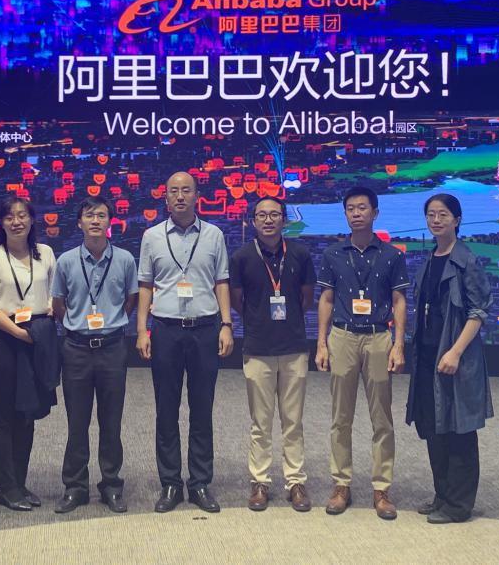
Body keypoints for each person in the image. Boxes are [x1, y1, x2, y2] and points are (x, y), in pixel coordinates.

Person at [136, 171, 234, 514]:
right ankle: (170, 484)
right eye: (173, 191)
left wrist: (226, 324)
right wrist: (141, 330)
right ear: (165, 198)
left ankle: (200, 483)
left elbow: (222, 281)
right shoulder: (151, 236)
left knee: (202, 408)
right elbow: (145, 285)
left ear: (196, 196)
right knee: (166, 409)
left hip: (206, 329)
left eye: (186, 190)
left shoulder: (214, 234)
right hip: (165, 330)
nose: (180, 196)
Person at [316, 186, 408, 521]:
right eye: (351, 209)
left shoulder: (392, 255)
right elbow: (326, 299)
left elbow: (399, 301)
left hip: (378, 337)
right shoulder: (332, 254)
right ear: (346, 214)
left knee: (381, 418)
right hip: (342, 337)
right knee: (340, 417)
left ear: (375, 213)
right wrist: (321, 342)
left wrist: (399, 344)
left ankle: (381, 488)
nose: (356, 213)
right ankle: (341, 484)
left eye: (362, 208)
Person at [407, 193, 493, 524]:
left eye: (443, 214)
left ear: (457, 220)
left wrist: (455, 351)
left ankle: (459, 505)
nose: (436, 220)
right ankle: (442, 495)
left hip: (456, 358)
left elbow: (478, 312)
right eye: (431, 214)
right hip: (428, 357)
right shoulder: (430, 259)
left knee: (459, 430)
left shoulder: (466, 260)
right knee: (434, 427)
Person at [50, 196, 138, 514]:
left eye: (101, 215)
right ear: (80, 223)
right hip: (76, 349)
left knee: (111, 421)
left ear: (109, 221)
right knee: (77, 421)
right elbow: (58, 304)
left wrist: (110, 322)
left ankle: (111, 485)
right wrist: (78, 326)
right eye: (89, 216)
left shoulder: (125, 260)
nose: (96, 220)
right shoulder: (66, 261)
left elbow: (131, 300)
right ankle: (75, 487)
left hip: (113, 348)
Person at [229, 196, 315, 512]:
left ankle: (296, 482)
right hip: (257, 348)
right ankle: (260, 481)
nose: (268, 220)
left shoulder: (300, 254)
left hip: (294, 346)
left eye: (274, 214)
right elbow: (237, 300)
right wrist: (258, 320)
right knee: (260, 422)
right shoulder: (241, 257)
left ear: (284, 220)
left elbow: (306, 298)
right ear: (253, 221)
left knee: (293, 420)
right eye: (262, 215)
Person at [0, 195, 58, 511]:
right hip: (4, 339)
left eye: (22, 215)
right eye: (9, 216)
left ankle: (21, 483)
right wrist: (19, 333)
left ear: (32, 219)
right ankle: (6, 486)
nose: (16, 221)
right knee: (4, 414)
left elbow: (54, 293)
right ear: (1, 222)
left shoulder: (45, 253)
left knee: (27, 411)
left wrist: (47, 314)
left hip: (37, 335)